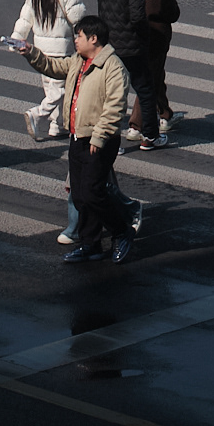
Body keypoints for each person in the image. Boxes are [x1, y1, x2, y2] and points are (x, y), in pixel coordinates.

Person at [21, 17, 137, 264]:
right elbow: (53, 67)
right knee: (81, 195)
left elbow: (115, 107)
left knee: (94, 193)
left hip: (98, 141)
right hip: (77, 136)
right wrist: (31, 53)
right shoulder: (79, 61)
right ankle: (90, 244)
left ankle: (122, 230)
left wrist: (99, 135)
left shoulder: (112, 67)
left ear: (93, 39)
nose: (75, 40)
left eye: (79, 36)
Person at [97, 0, 163, 154]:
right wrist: (144, 39)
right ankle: (149, 136)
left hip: (109, 47)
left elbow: (103, 14)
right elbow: (137, 18)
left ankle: (109, 139)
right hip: (132, 48)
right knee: (145, 90)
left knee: (112, 95)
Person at [11, 0, 85, 139]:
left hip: (40, 51)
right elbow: (79, 19)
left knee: (51, 87)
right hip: (62, 51)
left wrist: (17, 37)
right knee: (60, 90)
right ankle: (37, 114)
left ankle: (56, 125)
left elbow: (25, 19)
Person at [138, 0, 181, 145]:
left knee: (154, 76)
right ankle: (136, 125)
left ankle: (164, 113)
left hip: (135, 38)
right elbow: (174, 14)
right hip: (156, 41)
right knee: (149, 79)